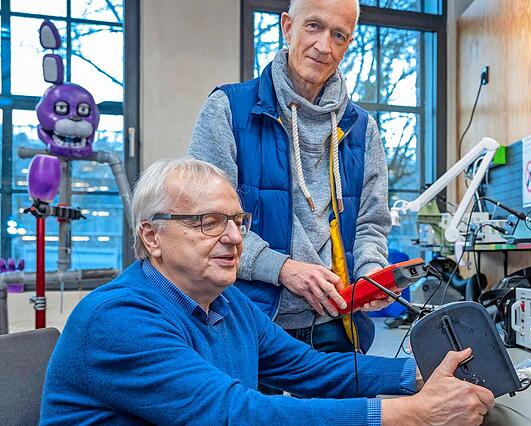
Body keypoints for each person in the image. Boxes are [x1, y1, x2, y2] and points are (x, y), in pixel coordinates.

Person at [40, 158, 495, 425]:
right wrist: (412, 413)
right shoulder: (118, 319)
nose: (235, 238)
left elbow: (311, 368)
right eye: (208, 221)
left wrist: (418, 375)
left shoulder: (225, 300)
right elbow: (236, 414)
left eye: (238, 221)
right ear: (152, 237)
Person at [189, 0, 390, 354]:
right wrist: (283, 268)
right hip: (247, 318)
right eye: (313, 26)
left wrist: (371, 274)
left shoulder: (362, 129)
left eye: (339, 35)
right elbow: (207, 223)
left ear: (348, 45)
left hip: (335, 321)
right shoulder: (227, 110)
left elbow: (370, 224)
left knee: (346, 415)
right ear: (287, 26)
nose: (323, 46)